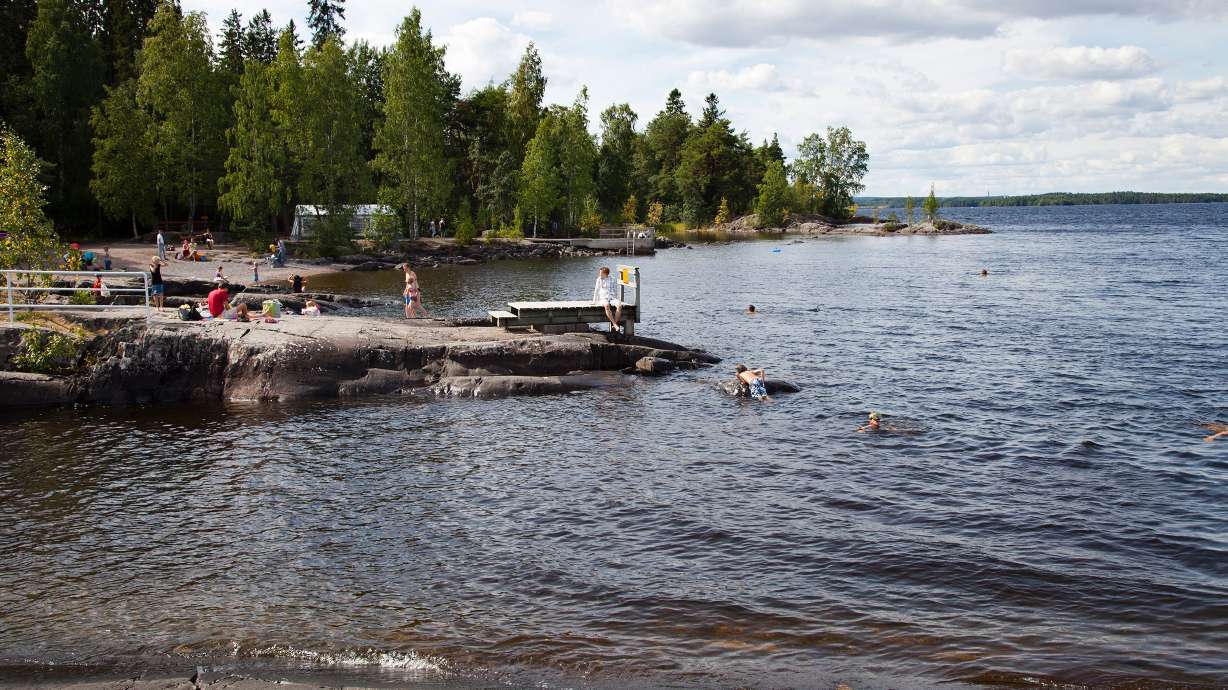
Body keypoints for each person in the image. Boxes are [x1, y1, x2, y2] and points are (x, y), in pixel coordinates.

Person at [592, 266, 623, 332]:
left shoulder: (612, 279)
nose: (600, 275)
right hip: (603, 297)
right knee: (606, 305)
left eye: (601, 273)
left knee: (619, 306)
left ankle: (614, 324)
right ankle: (615, 324)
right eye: (599, 273)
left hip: (612, 297)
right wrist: (594, 301)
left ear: (606, 274)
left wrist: (617, 299)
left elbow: (615, 290)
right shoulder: (599, 279)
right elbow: (596, 290)